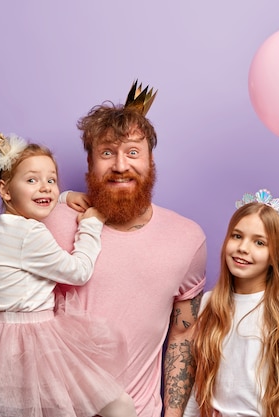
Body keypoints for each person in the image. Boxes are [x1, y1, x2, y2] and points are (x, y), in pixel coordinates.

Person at [0, 133, 137, 417]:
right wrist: (91, 226)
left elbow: (38, 200)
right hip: (30, 338)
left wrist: (66, 197)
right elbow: (78, 271)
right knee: (115, 403)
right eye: (32, 180)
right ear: (5, 190)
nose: (45, 188)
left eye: (51, 180)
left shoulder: (4, 226)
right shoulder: (29, 233)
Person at [43, 80, 208, 417]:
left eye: (133, 152)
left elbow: (182, 334)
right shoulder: (51, 224)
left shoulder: (187, 239)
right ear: (90, 164)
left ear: (151, 162)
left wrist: (174, 415)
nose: (120, 165)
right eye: (107, 153)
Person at [183, 189, 279, 417]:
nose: (243, 248)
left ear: (276, 255)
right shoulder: (209, 304)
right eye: (237, 236)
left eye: (259, 242)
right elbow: (198, 384)